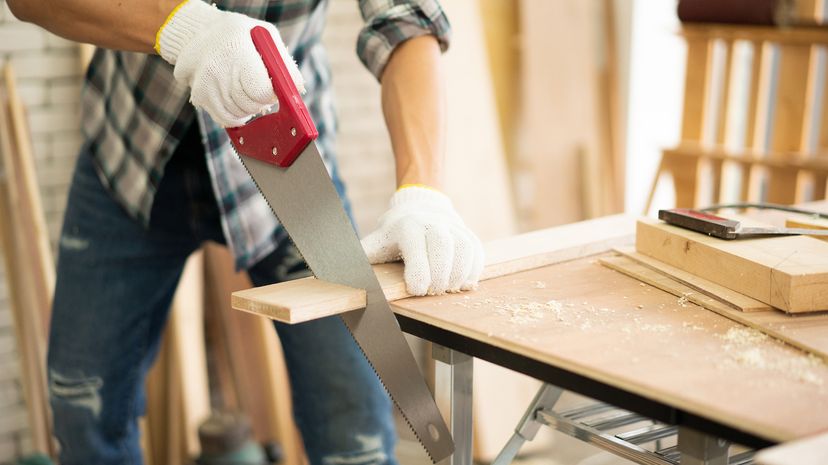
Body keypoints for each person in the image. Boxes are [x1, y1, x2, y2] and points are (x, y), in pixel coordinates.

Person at [7, 0, 485, 464]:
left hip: (286, 158)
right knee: (83, 410)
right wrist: (183, 26)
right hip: (131, 152)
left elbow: (404, 16)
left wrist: (422, 190)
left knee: (355, 433)